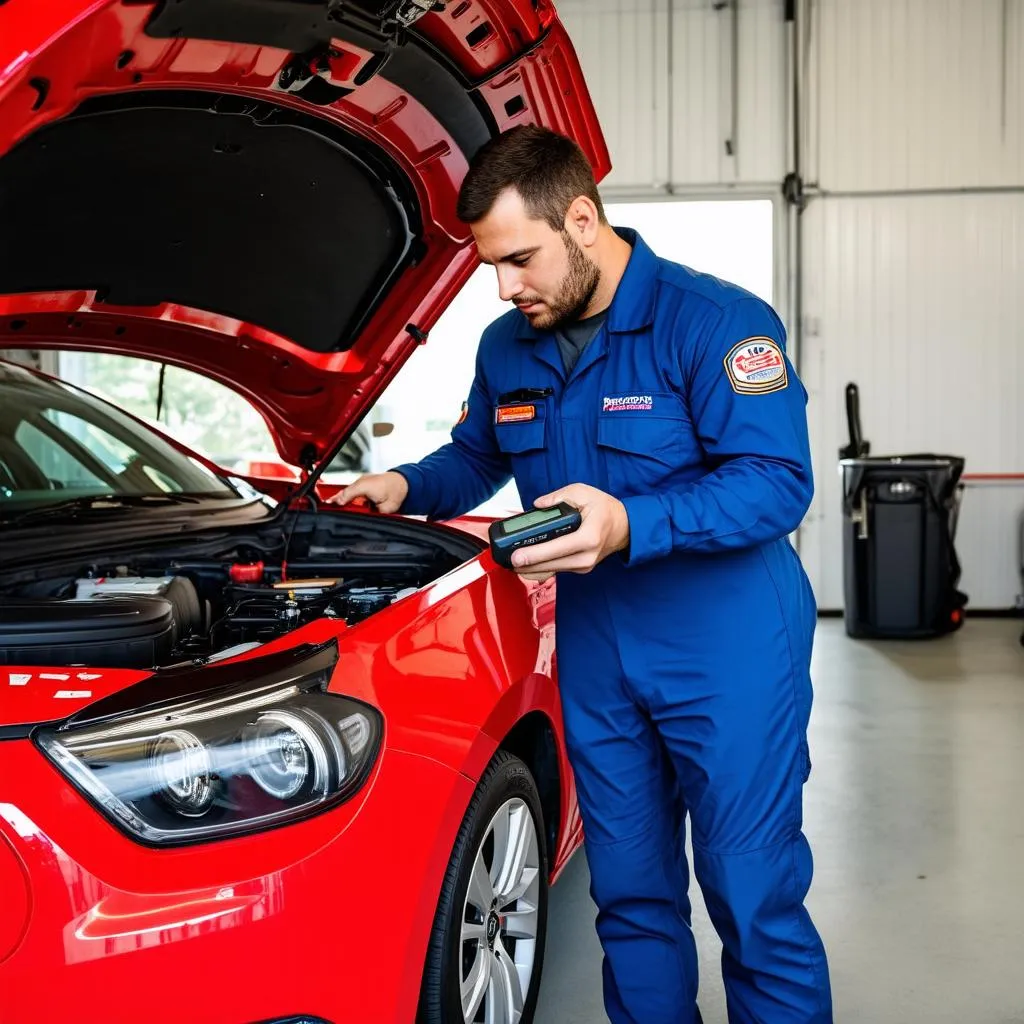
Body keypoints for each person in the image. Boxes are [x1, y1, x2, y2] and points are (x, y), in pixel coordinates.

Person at [333, 125, 833, 1023]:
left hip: (728, 649)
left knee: (753, 896)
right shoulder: (506, 346)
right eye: (492, 266)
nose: (504, 285)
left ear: (582, 219)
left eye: (520, 259)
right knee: (632, 898)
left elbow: (777, 483)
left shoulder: (716, 322)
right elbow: (476, 456)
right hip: (597, 650)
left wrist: (633, 520)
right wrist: (402, 486)